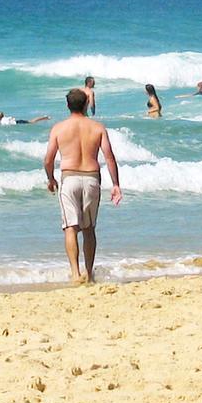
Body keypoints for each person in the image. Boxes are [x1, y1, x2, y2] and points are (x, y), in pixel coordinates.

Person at [43, 88, 122, 283]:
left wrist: (51, 178)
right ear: (86, 103)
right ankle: (89, 273)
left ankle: (75, 273)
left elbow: (48, 159)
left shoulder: (59, 128)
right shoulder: (97, 128)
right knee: (89, 228)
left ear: (67, 105)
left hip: (69, 179)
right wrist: (116, 184)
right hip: (92, 178)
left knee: (70, 227)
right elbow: (109, 157)